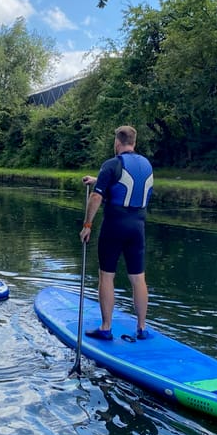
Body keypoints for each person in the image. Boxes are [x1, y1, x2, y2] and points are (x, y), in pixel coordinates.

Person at [79, 125, 154, 340]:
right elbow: (126, 185)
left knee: (107, 276)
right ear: (134, 142)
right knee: (138, 278)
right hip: (138, 228)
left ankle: (106, 327)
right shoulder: (146, 165)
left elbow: (96, 197)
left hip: (114, 226)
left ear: (117, 142)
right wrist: (98, 179)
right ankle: (141, 328)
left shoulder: (111, 164)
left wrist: (87, 225)